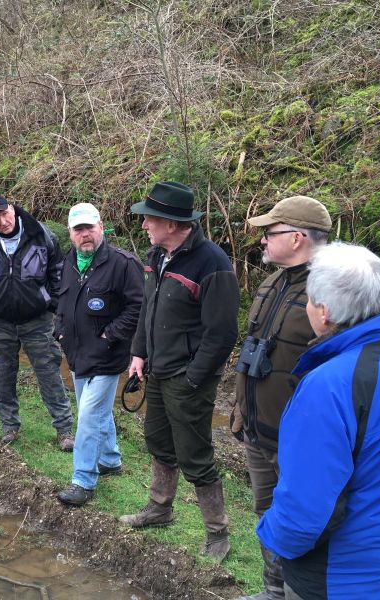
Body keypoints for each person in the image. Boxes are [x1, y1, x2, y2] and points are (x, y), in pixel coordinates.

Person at [256, 242, 380, 599]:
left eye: (308, 299)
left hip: (338, 576)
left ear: (324, 312)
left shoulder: (329, 385)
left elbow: (305, 511)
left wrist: (272, 534)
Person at [121, 181, 239, 564]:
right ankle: (159, 508)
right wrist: (139, 354)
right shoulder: (157, 256)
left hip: (188, 378)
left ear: (172, 223)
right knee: (158, 440)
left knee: (195, 454)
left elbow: (222, 333)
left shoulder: (212, 263)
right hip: (157, 370)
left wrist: (194, 378)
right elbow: (147, 311)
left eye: (149, 220)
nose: (144, 227)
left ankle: (217, 534)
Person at [230, 196, 331, 600]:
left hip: (301, 441)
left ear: (296, 237)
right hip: (259, 430)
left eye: (270, 234)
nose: (263, 242)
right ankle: (273, 592)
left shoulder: (333, 290)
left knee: (308, 522)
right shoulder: (273, 280)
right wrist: (240, 408)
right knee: (268, 515)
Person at [0, 194, 75, 450]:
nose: (2, 221)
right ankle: (9, 427)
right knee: (1, 376)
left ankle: (64, 430)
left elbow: (58, 271)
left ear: (13, 210)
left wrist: (51, 302)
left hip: (37, 320)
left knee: (49, 374)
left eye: (5, 214)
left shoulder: (41, 235)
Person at [54, 203, 143, 507]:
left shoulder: (123, 263)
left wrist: (111, 334)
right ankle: (110, 459)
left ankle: (83, 479)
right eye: (79, 230)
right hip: (78, 355)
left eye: (90, 228)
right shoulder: (67, 263)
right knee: (96, 411)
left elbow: (137, 307)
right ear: (71, 233)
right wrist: (60, 330)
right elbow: (61, 303)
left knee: (88, 415)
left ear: (101, 227)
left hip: (108, 355)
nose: (85, 235)